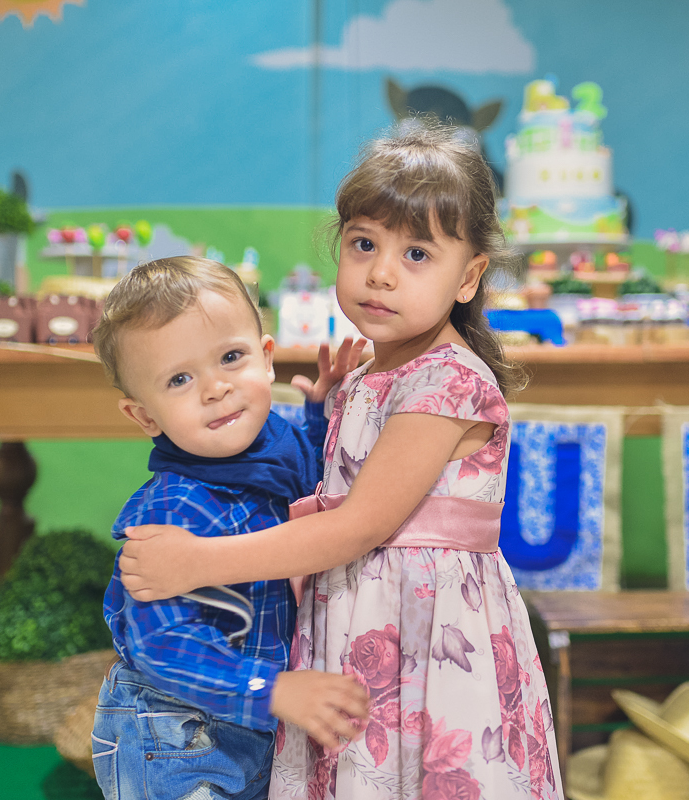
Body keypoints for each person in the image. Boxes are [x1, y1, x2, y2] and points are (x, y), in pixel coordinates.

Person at [118, 125, 565, 800]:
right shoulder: (365, 380)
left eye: (417, 252)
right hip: (360, 623)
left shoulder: (448, 382)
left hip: (429, 643)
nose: (381, 272)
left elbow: (357, 527)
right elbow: (331, 483)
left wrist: (198, 563)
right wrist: (328, 413)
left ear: (469, 276)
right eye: (363, 244)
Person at [89, 256, 371, 800]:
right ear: (145, 417)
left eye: (231, 357)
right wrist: (272, 689)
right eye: (179, 379)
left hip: (247, 727)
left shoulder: (274, 447)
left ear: (266, 359)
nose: (215, 388)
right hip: (172, 732)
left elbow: (308, 477)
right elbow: (162, 642)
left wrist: (325, 414)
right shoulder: (171, 511)